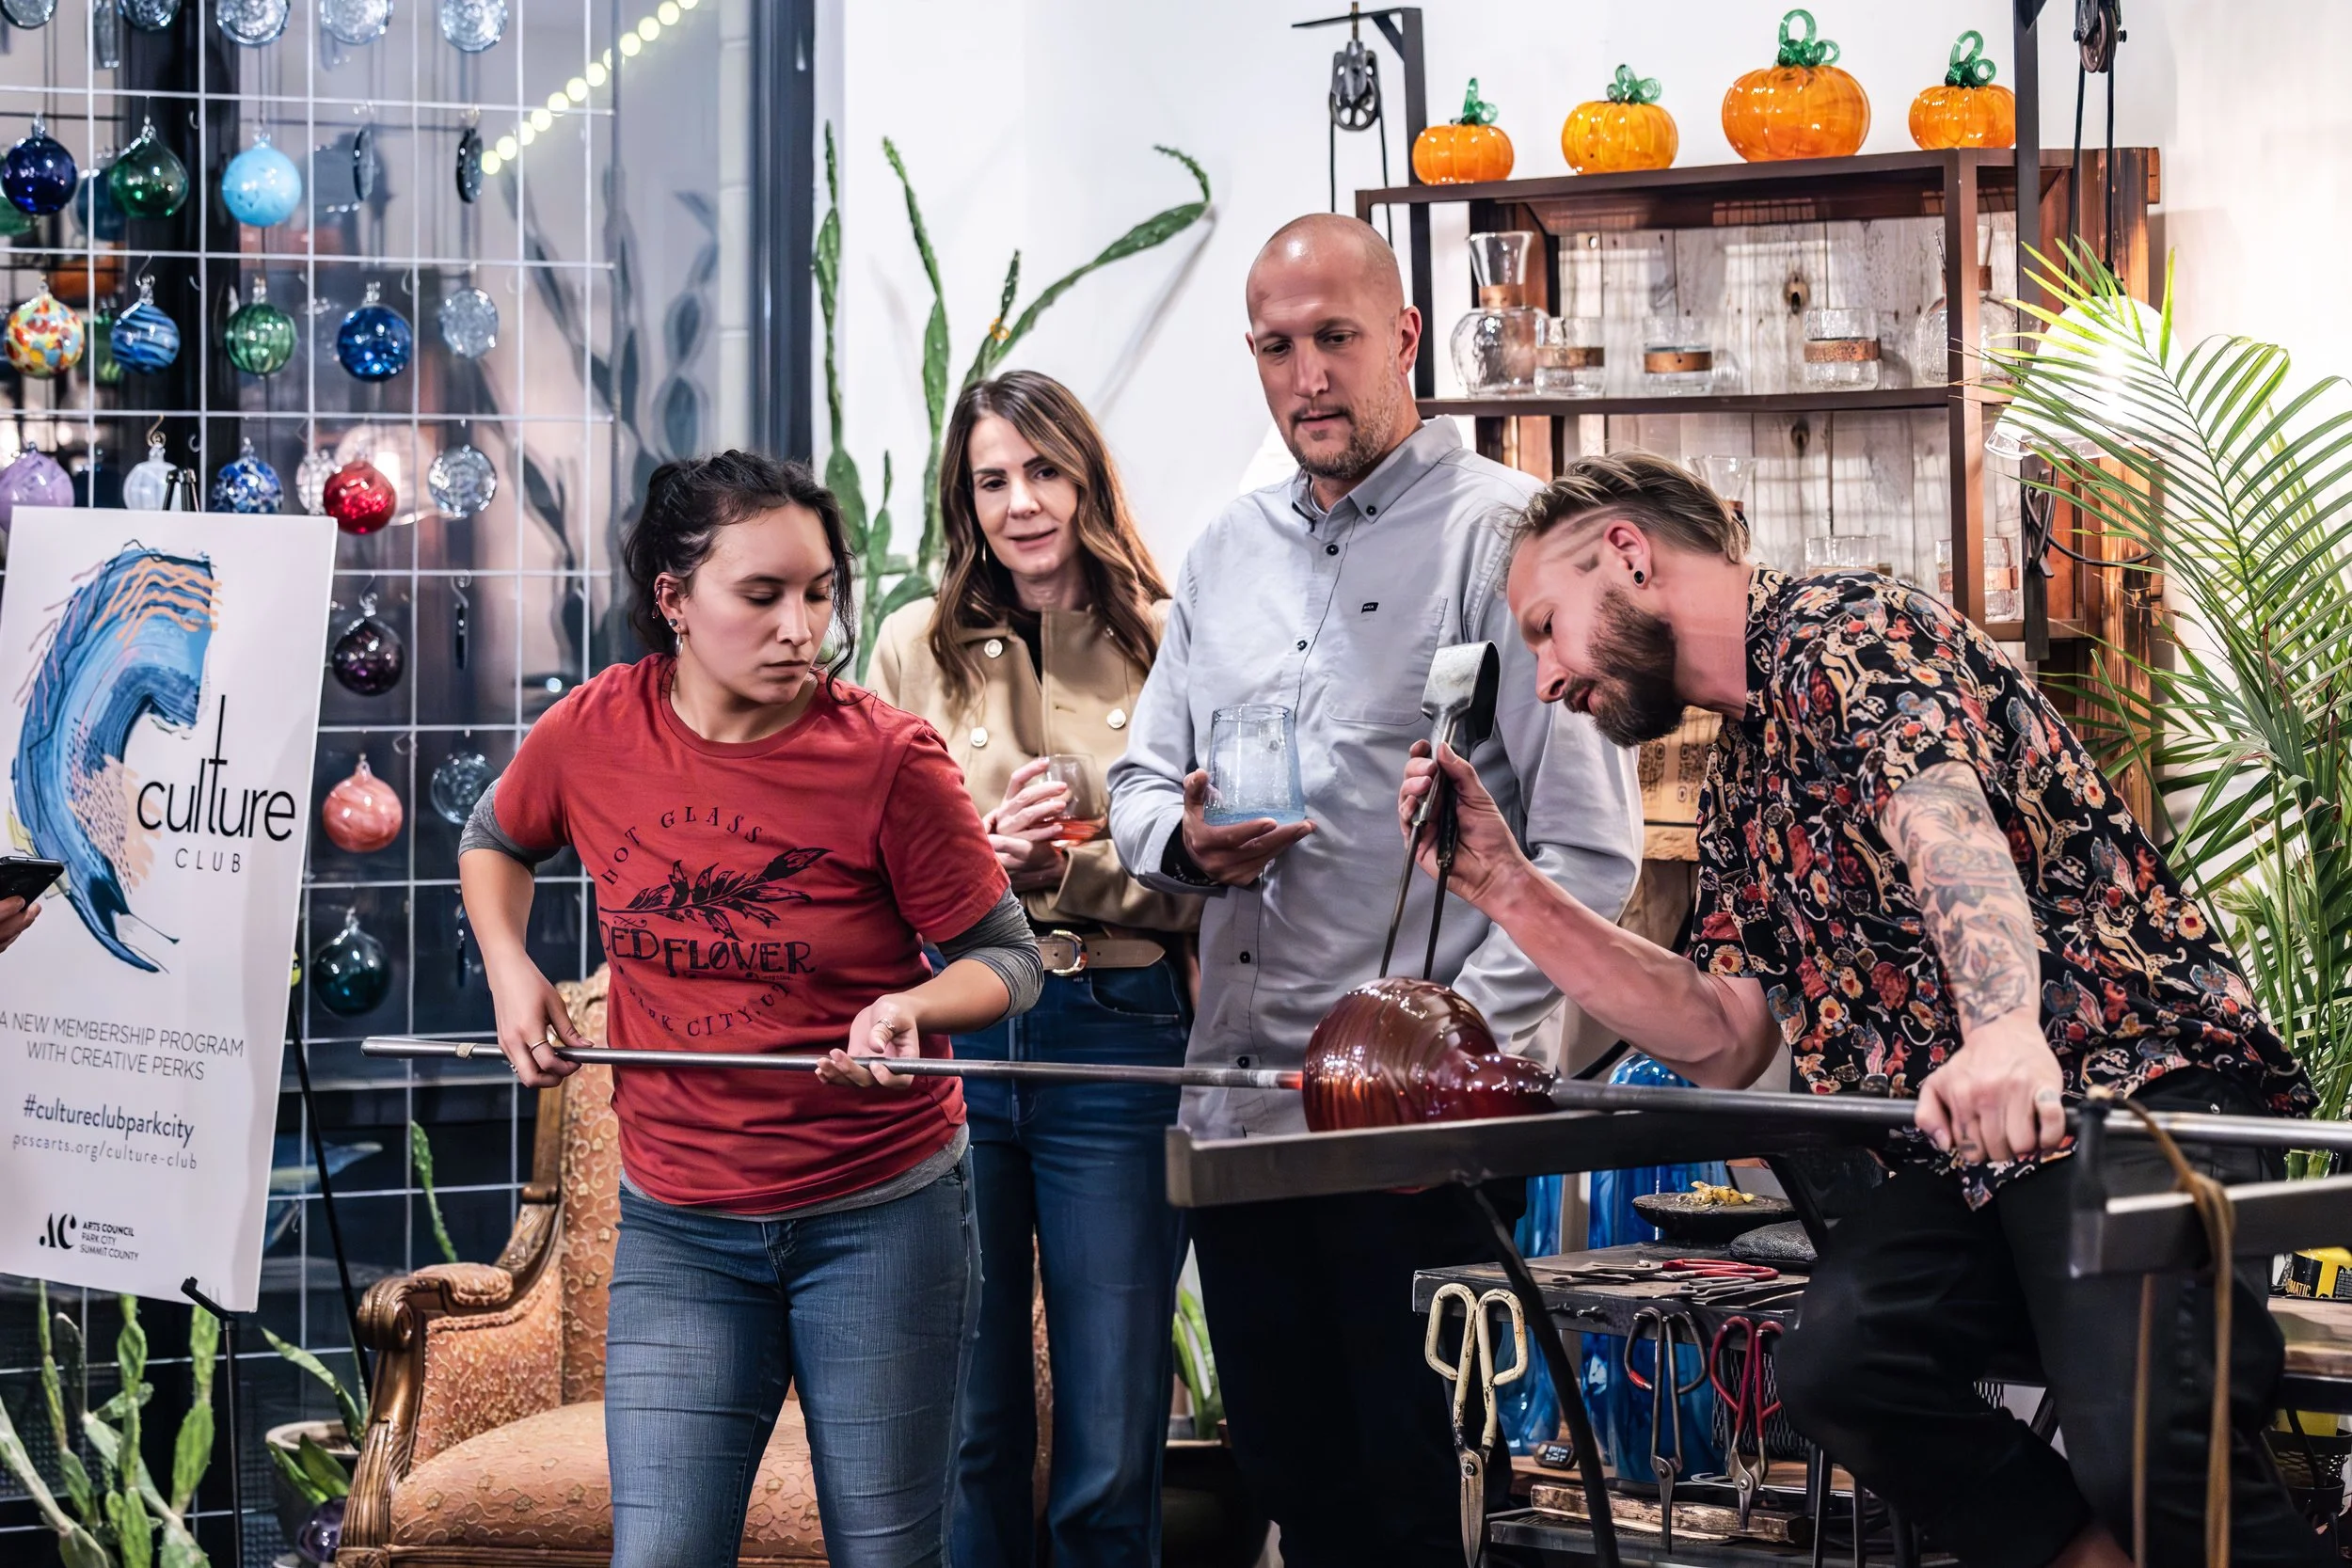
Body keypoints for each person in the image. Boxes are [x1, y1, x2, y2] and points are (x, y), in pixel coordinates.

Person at [1400, 451, 2323, 1568]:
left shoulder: (1849, 629)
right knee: (1844, 1358)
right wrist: (1507, 884)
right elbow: (1722, 1034)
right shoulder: (1740, 780)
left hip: (2133, 1097)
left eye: (1547, 626)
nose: (1544, 677)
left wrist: (2001, 1032)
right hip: (1977, 1154)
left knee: (2150, 1452)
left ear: (1631, 558)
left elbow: (1943, 822)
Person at [1105, 214, 1643, 1568]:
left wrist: (1446, 1056)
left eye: (1336, 338)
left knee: (1418, 1490)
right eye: (1277, 347)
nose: (1308, 377)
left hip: (1410, 1132)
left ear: (1403, 337)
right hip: (1240, 1110)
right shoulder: (1222, 549)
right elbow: (1137, 787)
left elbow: (1590, 848)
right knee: (1287, 1467)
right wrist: (1184, 842)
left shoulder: (1510, 540)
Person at [458, 451, 1044, 1568]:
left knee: (885, 1555)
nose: (801, 627)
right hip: (681, 1226)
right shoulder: (593, 732)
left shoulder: (885, 757)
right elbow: (493, 838)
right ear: (673, 600)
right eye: (763, 595)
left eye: (819, 592)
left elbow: (1005, 957)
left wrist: (911, 1007)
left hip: (880, 1217)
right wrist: (510, 966)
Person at [870, 370, 1203, 1568]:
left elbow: (1208, 861)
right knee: (970, 1419)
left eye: (1042, 471)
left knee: (1112, 1429)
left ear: (1085, 478)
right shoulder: (913, 642)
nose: (1020, 503)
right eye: (991, 479)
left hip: (1116, 1024)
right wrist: (978, 863)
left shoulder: (1170, 634)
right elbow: (869, 856)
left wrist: (1067, 861)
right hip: (961, 1033)